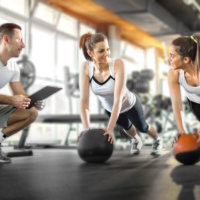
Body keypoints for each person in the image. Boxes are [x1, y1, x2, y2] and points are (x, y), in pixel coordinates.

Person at [78, 32, 163, 155]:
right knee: (128, 129)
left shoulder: (118, 64)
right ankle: (136, 140)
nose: (106, 54)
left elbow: (118, 99)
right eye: (101, 51)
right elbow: (84, 101)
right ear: (90, 53)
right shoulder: (86, 68)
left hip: (128, 104)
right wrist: (86, 129)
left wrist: (110, 129)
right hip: (109, 108)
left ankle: (157, 140)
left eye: (108, 49)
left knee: (142, 127)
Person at [0, 23, 44, 163]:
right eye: (19, 40)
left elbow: (20, 95)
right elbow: (13, 99)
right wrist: (12, 100)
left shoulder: (13, 67)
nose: (23, 45)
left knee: (31, 112)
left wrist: (33, 101)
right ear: (6, 39)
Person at [168, 35, 200, 139]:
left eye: (172, 56)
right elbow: (177, 105)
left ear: (186, 59)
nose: (169, 59)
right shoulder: (174, 74)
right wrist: (182, 132)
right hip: (196, 106)